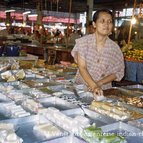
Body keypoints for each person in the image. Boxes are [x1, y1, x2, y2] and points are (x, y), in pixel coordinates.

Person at [71, 9, 125, 96]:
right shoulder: (83, 42)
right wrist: (94, 86)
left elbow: (118, 72)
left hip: (103, 91)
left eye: (109, 22)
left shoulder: (115, 49)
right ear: (94, 24)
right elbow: (82, 68)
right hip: (81, 88)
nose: (106, 25)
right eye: (102, 21)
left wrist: (100, 83)